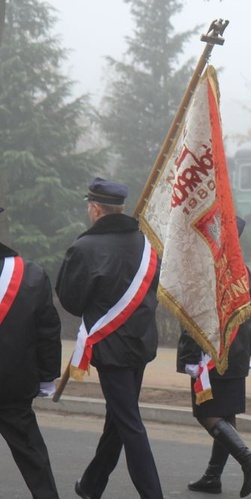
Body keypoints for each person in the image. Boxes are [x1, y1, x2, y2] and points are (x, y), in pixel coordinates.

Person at [55, 177, 163, 499]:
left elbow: (70, 300)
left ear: (96, 209)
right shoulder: (146, 245)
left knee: (128, 423)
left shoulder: (85, 247)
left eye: (90, 207)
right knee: (118, 417)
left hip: (111, 349)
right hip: (141, 345)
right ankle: (92, 485)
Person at [176, 217, 251, 497]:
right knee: (225, 414)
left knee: (208, 414)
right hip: (236, 354)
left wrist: (190, 356)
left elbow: (194, 318)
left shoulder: (205, 269)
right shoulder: (243, 270)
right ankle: (212, 477)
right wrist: (248, 351)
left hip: (209, 355)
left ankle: (247, 460)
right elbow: (248, 317)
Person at [0, 205, 62, 498]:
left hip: (13, 386)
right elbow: (48, 330)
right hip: (13, 384)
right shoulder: (30, 274)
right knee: (32, 457)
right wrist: (47, 377)